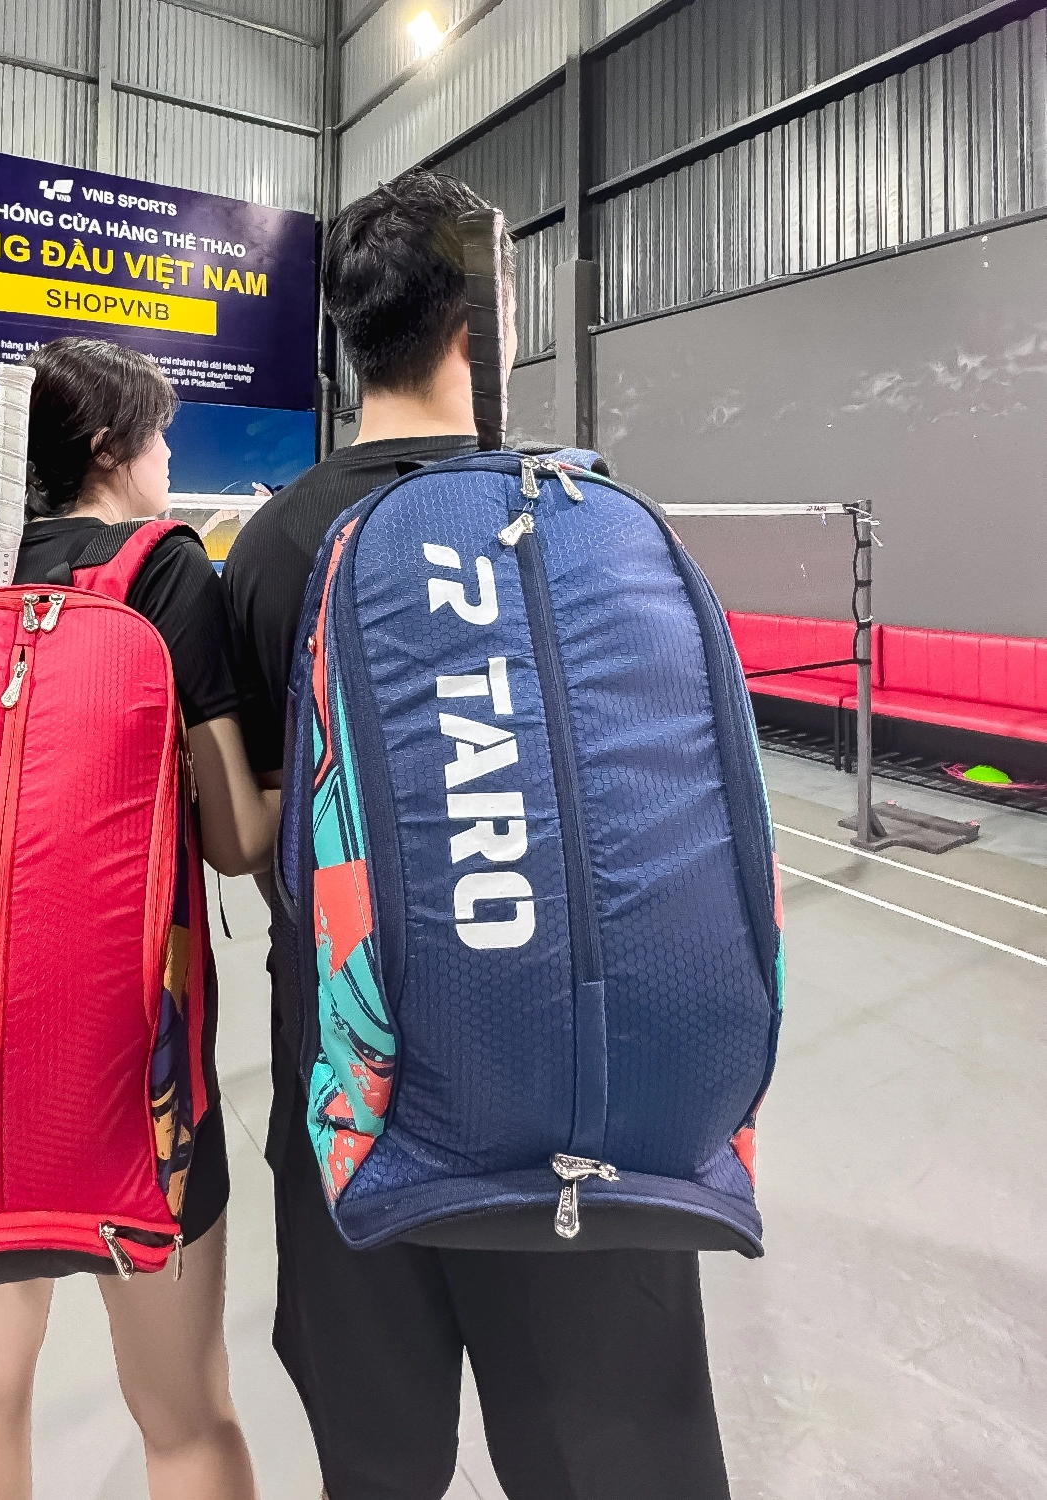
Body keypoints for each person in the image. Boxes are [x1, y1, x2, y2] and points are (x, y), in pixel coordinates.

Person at [222, 169, 732, 1500]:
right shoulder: (582, 523)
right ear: (477, 327)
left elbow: (262, 834)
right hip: (575, 1099)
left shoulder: (272, 545)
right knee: (615, 1464)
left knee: (378, 1464)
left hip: (353, 1098)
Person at [0, 336, 277, 1500]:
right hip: (132, 1065)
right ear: (114, 449)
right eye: (162, 437)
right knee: (183, 1420)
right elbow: (234, 839)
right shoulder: (168, 572)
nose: (171, 460)